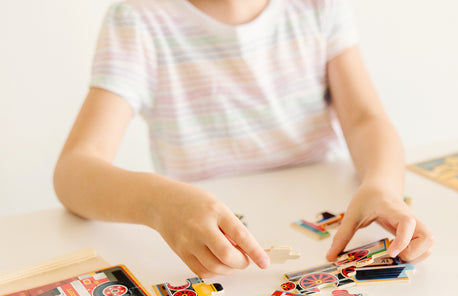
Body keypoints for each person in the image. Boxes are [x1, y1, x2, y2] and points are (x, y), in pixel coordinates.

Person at [53, 0, 434, 278]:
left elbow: (366, 119)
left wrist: (384, 187)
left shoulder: (319, 7)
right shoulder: (137, 21)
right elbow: (73, 172)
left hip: (329, 228)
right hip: (206, 239)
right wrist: (159, 204)